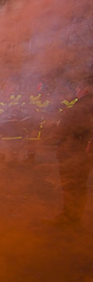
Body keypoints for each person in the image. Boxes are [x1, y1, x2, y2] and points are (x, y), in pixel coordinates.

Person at [51, 83, 93, 228]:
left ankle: (70, 218)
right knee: (78, 186)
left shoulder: (83, 106)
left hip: (74, 153)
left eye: (78, 89)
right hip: (82, 153)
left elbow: (69, 128)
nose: (76, 91)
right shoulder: (88, 105)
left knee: (72, 185)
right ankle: (73, 217)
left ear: (85, 89)